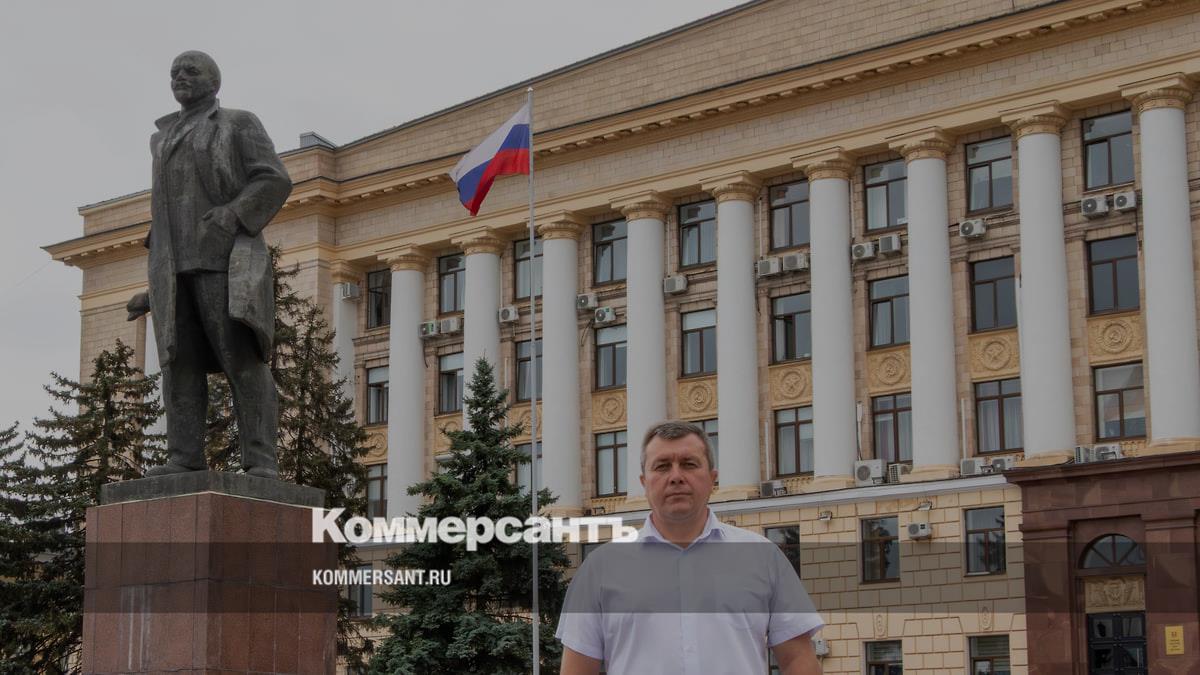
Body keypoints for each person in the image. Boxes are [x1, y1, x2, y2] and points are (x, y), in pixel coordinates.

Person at [133, 50, 292, 478]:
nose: (179, 77)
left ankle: (261, 460)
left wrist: (233, 214)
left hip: (224, 262)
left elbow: (274, 178)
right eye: (174, 72)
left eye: (190, 71)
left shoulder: (238, 123)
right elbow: (166, 209)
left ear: (213, 81)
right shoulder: (161, 138)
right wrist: (152, 287)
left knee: (240, 358)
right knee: (178, 364)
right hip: (173, 268)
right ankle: (184, 457)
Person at [556, 420, 824, 674]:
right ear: (644, 482)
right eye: (662, 466)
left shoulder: (762, 557)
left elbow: (798, 660)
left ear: (712, 478)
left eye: (689, 464)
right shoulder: (600, 569)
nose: (676, 477)